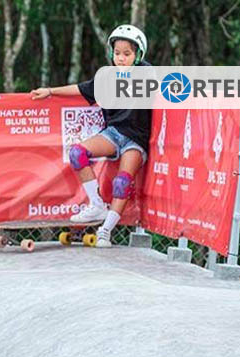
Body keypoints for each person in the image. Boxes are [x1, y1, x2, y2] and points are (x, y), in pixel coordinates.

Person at [30, 24, 152, 247]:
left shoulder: (146, 73)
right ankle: (97, 205)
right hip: (113, 134)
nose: (121, 58)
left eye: (127, 54)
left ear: (138, 56)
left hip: (136, 140)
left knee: (122, 182)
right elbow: (81, 88)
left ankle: (105, 231)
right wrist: (50, 91)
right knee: (77, 152)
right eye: (117, 53)